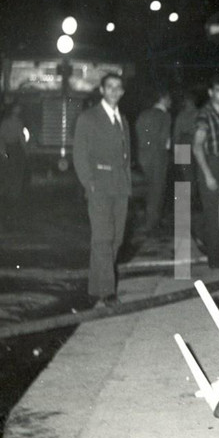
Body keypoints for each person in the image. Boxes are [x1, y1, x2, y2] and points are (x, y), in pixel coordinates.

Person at [72, 72, 131, 307]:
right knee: (103, 238)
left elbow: (127, 155)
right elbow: (79, 153)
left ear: (122, 91)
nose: (114, 91)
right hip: (100, 185)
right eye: (110, 87)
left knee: (116, 239)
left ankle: (96, 287)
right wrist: (89, 182)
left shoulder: (123, 120)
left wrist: (127, 181)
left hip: (120, 186)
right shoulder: (89, 118)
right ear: (102, 90)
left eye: (118, 87)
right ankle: (107, 292)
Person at [192, 75, 219, 268]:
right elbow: (197, 146)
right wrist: (207, 174)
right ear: (210, 93)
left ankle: (203, 235)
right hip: (211, 163)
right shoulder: (204, 114)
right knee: (214, 213)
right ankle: (216, 259)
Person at [135, 88, 173, 236]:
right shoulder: (165, 116)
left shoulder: (144, 114)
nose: (171, 102)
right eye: (169, 98)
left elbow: (139, 132)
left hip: (143, 155)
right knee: (157, 189)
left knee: (148, 187)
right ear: (163, 98)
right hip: (158, 156)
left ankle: (149, 220)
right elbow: (165, 139)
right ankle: (152, 224)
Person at [0, 103, 28, 212]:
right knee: (15, 173)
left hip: (10, 148)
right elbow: (21, 138)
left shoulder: (7, 122)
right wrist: (25, 151)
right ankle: (12, 196)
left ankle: (7, 195)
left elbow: (1, 137)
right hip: (14, 149)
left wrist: (3, 151)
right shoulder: (17, 122)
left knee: (9, 173)